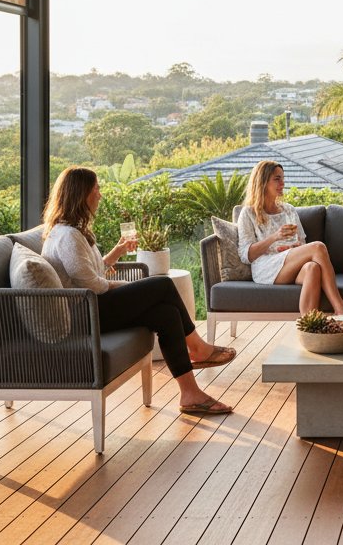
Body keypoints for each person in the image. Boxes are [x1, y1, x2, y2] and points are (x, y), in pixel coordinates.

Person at [40, 167, 235, 416]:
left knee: (166, 314)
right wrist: (129, 286)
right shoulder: (67, 236)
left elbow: (89, 273)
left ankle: (190, 394)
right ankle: (198, 348)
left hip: (92, 306)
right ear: (81, 194)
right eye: (96, 189)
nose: (100, 194)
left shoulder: (72, 231)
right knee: (162, 285)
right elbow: (94, 285)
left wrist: (117, 253)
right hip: (85, 313)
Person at [237, 160, 343, 315]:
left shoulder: (289, 210)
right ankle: (340, 308)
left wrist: (293, 248)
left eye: (283, 178)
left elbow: (302, 244)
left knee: (312, 268)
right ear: (262, 182)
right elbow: (246, 255)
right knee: (318, 247)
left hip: (289, 265)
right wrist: (275, 237)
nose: (282, 183)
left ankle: (310, 323)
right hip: (266, 267)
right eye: (277, 179)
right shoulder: (248, 213)